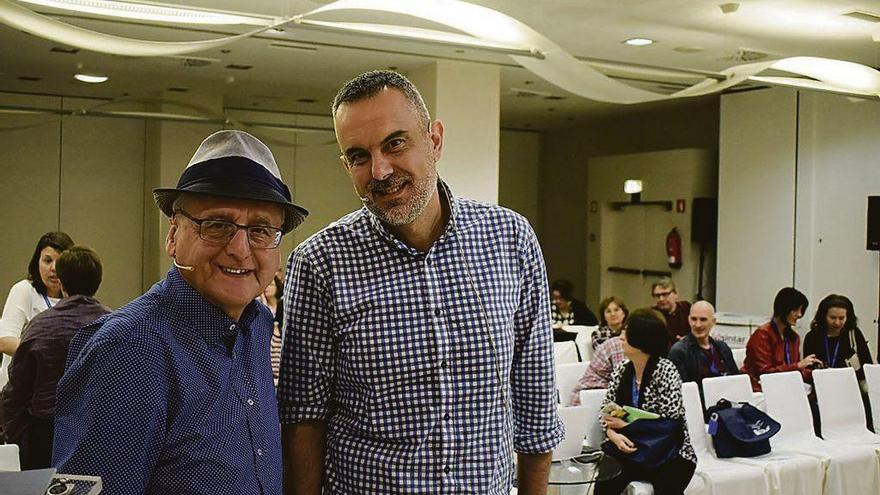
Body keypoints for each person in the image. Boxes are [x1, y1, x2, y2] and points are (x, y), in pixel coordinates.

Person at [278, 70, 563, 495]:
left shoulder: (510, 239)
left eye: (395, 143)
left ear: (435, 140)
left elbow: (536, 399)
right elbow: (304, 419)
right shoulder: (321, 262)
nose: (379, 170)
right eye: (358, 156)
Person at [52, 130, 308, 495]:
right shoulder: (128, 351)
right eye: (217, 225)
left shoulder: (257, 326)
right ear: (173, 235)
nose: (240, 249)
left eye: (261, 230)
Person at [0, 246, 110, 469]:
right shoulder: (114, 326)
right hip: (97, 433)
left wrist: (15, 435)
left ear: (62, 282)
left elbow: (17, 389)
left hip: (45, 436)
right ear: (97, 281)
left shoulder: (39, 327)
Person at [596, 308, 696, 495]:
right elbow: (606, 410)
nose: (622, 337)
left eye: (627, 332)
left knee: (668, 486)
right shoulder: (621, 370)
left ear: (641, 341)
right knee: (604, 484)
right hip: (626, 448)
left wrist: (625, 425)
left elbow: (669, 423)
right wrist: (613, 434)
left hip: (668, 452)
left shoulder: (666, 371)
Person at [0, 232, 74, 390]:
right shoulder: (24, 290)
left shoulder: (75, 298)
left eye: (60, 261)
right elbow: (4, 341)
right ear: (37, 263)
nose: (53, 268)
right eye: (47, 261)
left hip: (54, 393)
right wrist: (48, 353)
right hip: (18, 394)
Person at [803, 294, 874, 430]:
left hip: (851, 393)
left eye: (842, 318)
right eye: (833, 318)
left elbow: (867, 365)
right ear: (824, 316)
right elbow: (808, 368)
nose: (837, 323)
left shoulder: (854, 334)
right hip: (824, 393)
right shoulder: (813, 336)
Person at [741, 287, 820, 392]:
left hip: (784, 385)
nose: (799, 314)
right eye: (795, 310)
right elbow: (765, 373)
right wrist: (798, 365)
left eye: (801, 310)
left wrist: (816, 373)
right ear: (784, 309)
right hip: (760, 387)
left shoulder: (794, 338)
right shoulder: (762, 335)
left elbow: (795, 370)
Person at [668, 301, 738, 403]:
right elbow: (683, 392)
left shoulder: (722, 348)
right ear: (688, 320)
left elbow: (736, 381)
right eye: (694, 319)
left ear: (713, 322)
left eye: (703, 319)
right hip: (698, 407)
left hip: (728, 403)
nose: (698, 324)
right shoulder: (679, 352)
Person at [570, 335, 626, 404]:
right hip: (590, 397)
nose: (622, 337)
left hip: (609, 394)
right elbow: (623, 385)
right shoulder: (620, 345)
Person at [651, 278, 691, 345]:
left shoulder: (686, 308)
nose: (661, 299)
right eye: (657, 296)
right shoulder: (651, 315)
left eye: (665, 294)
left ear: (676, 294)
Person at [262, 272, 284, 380]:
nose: (267, 288)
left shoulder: (282, 307)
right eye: (266, 285)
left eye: (270, 285)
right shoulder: (261, 308)